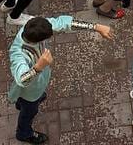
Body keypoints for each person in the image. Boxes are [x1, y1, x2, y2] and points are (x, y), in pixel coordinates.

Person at [8, 15, 113, 144]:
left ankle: (21, 103)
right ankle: (24, 133)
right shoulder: (18, 54)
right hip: (30, 92)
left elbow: (64, 23)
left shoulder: (33, 27)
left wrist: (96, 27)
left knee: (32, 100)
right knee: (29, 112)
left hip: (38, 84)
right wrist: (38, 67)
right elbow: (21, 79)